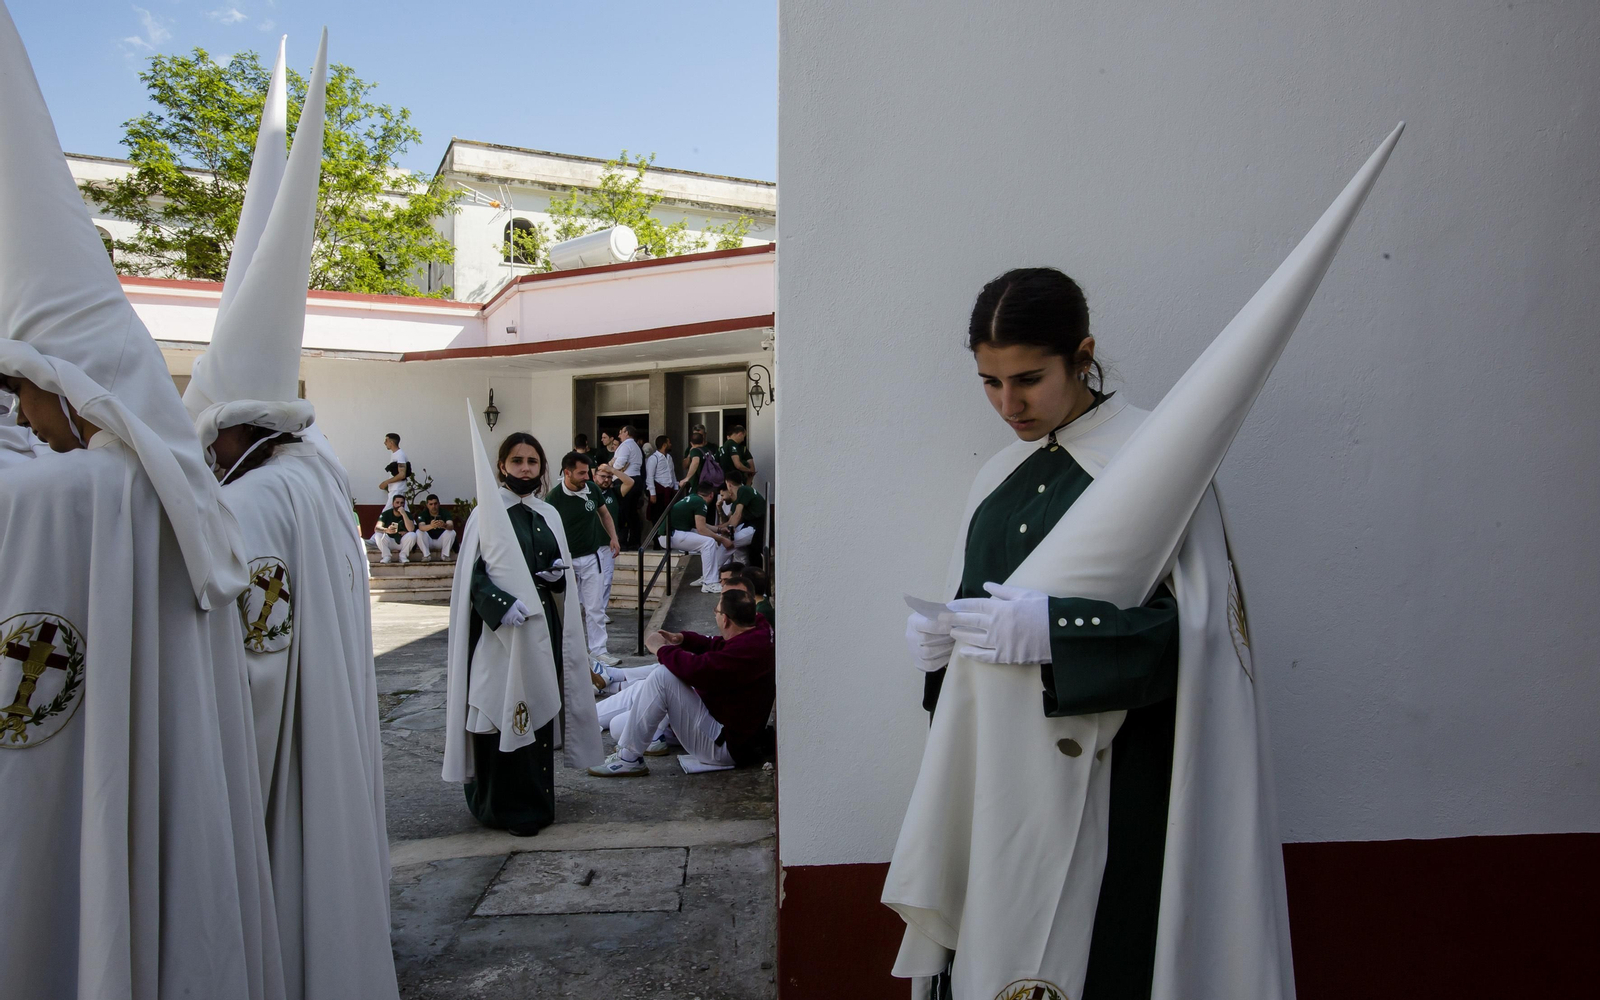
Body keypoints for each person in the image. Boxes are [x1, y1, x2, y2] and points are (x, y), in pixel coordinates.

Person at [883, 123, 1398, 1000]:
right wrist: (947, 650)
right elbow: (977, 613)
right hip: (1005, 788)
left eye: (1029, 380)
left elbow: (1201, 636)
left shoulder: (1159, 461)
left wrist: (1057, 631)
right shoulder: (995, 478)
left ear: (1082, 355)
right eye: (989, 383)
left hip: (1119, 787)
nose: (1008, 405)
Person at [0, 8, 282, 993]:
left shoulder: (76, 499)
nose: (21, 412)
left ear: (73, 384)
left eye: (22, 387)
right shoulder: (179, 497)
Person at [180, 32, 398, 999]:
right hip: (338, 735)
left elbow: (255, 663)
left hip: (278, 775)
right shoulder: (317, 471)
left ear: (231, 430)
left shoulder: (261, 500)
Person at [442, 430, 602, 835]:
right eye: (517, 461)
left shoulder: (549, 514)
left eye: (532, 462)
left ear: (542, 468)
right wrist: (500, 603)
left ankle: (535, 803)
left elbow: (558, 569)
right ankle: (500, 807)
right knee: (499, 711)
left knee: (536, 710)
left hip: (541, 629)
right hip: (498, 635)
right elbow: (473, 577)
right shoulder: (487, 513)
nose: (525, 468)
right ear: (501, 466)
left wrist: (556, 579)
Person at [589, 589, 775, 777]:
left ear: (725, 619)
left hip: (725, 747)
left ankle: (628, 759)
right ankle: (596, 716)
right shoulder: (758, 629)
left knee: (662, 676)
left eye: (716, 611)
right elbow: (719, 645)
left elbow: (696, 669)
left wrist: (660, 649)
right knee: (618, 724)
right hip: (722, 729)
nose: (715, 615)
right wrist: (684, 639)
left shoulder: (745, 651)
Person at [543, 452, 623, 667]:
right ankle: (567, 652)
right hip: (564, 560)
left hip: (591, 556)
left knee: (595, 607)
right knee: (567, 608)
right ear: (567, 473)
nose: (586, 476)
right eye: (581, 472)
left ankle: (599, 651)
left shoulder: (592, 489)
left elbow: (605, 514)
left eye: (587, 471)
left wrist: (613, 537)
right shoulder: (553, 498)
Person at [662, 481, 732, 593]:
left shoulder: (693, 498)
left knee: (710, 540)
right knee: (709, 542)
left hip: (670, 533)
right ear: (711, 495)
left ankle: (707, 577)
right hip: (671, 535)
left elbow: (701, 525)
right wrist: (722, 539)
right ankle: (710, 583)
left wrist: (719, 530)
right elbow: (702, 529)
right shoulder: (700, 503)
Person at [609, 424, 645, 548]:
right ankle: (634, 541)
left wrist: (611, 466)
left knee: (623, 512)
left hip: (625, 480)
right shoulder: (636, 447)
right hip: (636, 479)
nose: (619, 435)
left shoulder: (625, 446)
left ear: (627, 433)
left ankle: (623, 541)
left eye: (621, 432)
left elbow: (618, 464)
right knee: (632, 512)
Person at [719, 469, 765, 558]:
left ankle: (714, 570)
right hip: (752, 526)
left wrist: (725, 533)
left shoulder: (743, 490)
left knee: (725, 543)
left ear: (728, 484)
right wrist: (717, 529)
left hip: (758, 527)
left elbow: (737, 516)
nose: (722, 499)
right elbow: (730, 521)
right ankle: (739, 568)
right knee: (733, 545)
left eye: (722, 495)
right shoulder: (742, 494)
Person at [371, 492, 419, 563]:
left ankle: (403, 556)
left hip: (401, 541)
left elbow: (411, 529)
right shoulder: (386, 514)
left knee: (413, 535)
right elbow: (377, 528)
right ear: (393, 504)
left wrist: (403, 514)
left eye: (402, 503)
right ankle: (386, 556)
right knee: (378, 535)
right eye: (397, 502)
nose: (399, 505)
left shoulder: (407, 514)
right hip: (389, 541)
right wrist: (387, 530)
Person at [644, 434, 678, 525]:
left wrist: (676, 487)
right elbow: (650, 477)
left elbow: (672, 473)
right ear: (664, 445)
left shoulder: (669, 457)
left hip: (669, 491)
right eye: (669, 442)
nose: (671, 444)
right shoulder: (653, 458)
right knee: (657, 517)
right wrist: (653, 494)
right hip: (659, 492)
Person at [416, 493, 457, 560]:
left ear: (439, 504)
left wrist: (444, 525)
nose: (433, 506)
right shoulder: (423, 514)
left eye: (435, 503)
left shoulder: (445, 512)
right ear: (427, 505)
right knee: (418, 532)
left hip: (441, 541)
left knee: (452, 532)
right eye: (431, 504)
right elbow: (421, 527)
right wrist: (431, 526)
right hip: (429, 541)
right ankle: (426, 556)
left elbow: (451, 526)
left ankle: (445, 555)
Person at [678, 427, 712, 491]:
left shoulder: (695, 451)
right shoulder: (707, 450)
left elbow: (695, 462)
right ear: (703, 442)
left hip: (698, 484)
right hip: (709, 483)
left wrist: (687, 478)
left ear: (691, 443)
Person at [378, 432, 409, 499]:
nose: (385, 443)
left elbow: (402, 474)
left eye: (386, 440)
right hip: (395, 489)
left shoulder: (399, 455)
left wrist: (386, 482)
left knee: (389, 509)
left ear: (391, 442)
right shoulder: (395, 454)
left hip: (397, 489)